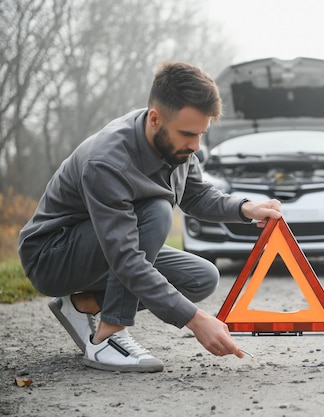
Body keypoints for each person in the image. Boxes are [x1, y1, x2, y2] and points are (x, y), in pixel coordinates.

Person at [18, 61, 282, 373]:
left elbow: (196, 195)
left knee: (200, 277)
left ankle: (83, 304)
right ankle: (107, 337)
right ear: (155, 119)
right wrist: (196, 321)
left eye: (202, 134)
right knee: (156, 211)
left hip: (105, 247)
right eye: (188, 134)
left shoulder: (176, 145)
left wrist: (244, 208)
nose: (196, 146)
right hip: (53, 257)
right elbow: (127, 259)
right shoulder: (107, 161)